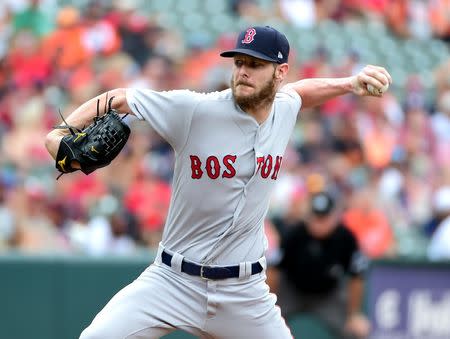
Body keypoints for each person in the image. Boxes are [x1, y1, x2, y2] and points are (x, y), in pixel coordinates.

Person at [45, 25, 391, 339]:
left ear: (279, 72)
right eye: (239, 62)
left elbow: (301, 93)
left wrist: (348, 84)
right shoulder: (196, 110)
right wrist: (61, 132)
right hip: (172, 281)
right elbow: (121, 97)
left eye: (255, 65)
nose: (243, 72)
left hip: (244, 293)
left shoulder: (284, 109)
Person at [274, 191, 370, 339]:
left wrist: (354, 314)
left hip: (327, 295)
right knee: (262, 323)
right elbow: (273, 271)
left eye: (324, 218)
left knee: (356, 330)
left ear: (334, 217)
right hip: (292, 291)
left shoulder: (346, 238)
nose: (319, 223)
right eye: (316, 217)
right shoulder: (294, 234)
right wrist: (271, 302)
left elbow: (357, 276)